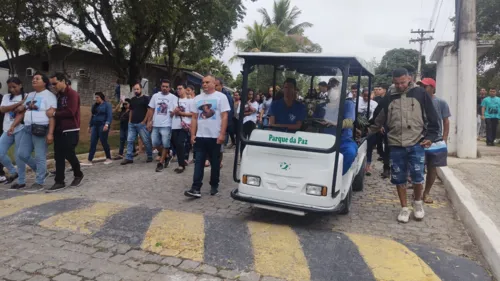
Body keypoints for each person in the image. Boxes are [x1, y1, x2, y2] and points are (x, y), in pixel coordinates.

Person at [368, 68, 439, 223]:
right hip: (395, 144)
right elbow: (377, 120)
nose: (400, 86)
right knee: (399, 177)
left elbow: (434, 119)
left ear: (409, 78)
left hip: (417, 143)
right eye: (396, 83)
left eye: (402, 82)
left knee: (417, 176)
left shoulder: (421, 94)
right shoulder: (389, 97)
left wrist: (430, 137)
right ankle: (404, 208)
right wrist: (362, 132)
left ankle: (418, 203)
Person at [184, 75, 230, 198]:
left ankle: (214, 184)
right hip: (200, 136)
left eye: (207, 82)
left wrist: (222, 134)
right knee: (198, 162)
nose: (204, 84)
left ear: (214, 83)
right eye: (203, 82)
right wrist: (193, 134)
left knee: (215, 163)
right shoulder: (197, 99)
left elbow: (225, 116)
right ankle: (195, 188)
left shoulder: (221, 97)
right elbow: (194, 117)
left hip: (215, 136)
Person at [11, 72, 57, 192]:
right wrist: (21, 107)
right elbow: (24, 108)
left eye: (37, 78)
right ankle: (42, 172)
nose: (34, 80)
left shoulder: (50, 96)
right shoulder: (30, 95)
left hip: (41, 129)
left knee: (39, 156)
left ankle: (39, 182)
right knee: (22, 153)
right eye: (33, 79)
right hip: (27, 128)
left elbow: (52, 116)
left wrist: (50, 133)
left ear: (44, 82)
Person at [46, 73, 84, 192]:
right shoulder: (58, 96)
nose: (53, 86)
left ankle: (78, 174)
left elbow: (70, 112)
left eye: (55, 83)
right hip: (59, 129)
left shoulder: (72, 94)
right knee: (58, 156)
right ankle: (59, 181)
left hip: (70, 129)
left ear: (63, 81)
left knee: (69, 153)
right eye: (51, 84)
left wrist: (54, 113)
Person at [313, 77, 358, 175]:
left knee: (350, 152)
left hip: (343, 140)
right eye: (331, 88)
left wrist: (335, 123)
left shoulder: (347, 104)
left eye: (336, 88)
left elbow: (350, 122)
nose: (333, 91)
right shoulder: (321, 106)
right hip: (323, 139)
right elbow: (313, 120)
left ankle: (337, 176)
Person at [417, 78, 451, 204]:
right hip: (419, 139)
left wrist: (445, 138)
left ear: (432, 88)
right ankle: (418, 192)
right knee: (418, 166)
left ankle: (426, 193)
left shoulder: (441, 102)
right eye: (421, 86)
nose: (422, 89)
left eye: (425, 86)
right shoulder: (417, 101)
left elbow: (446, 121)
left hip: (435, 140)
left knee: (432, 168)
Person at [0, 78, 36, 189]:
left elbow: (22, 112)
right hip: (7, 129)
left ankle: (21, 181)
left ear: (20, 85)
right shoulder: (6, 97)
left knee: (18, 156)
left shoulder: (27, 96)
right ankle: (12, 171)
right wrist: (19, 103)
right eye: (10, 87)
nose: (12, 89)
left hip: (21, 129)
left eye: (14, 86)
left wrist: (22, 104)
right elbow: (2, 109)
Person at [146, 79, 178, 172]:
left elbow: (173, 111)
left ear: (169, 88)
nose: (164, 88)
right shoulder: (155, 96)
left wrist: (174, 112)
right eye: (163, 86)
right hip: (156, 124)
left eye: (166, 87)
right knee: (155, 143)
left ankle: (161, 162)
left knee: (165, 144)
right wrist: (149, 121)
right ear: (161, 87)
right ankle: (167, 156)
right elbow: (151, 109)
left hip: (167, 124)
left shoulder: (173, 98)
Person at [121, 83, 152, 165]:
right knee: (130, 140)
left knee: (146, 141)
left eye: (137, 89)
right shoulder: (133, 99)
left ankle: (149, 155)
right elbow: (131, 110)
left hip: (141, 124)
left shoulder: (146, 99)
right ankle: (129, 157)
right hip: (132, 124)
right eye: (134, 89)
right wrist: (130, 121)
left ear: (141, 89)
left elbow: (149, 110)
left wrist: (145, 121)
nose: (136, 91)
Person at [81, 92, 113, 166]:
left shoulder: (107, 105)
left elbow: (109, 115)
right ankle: (89, 160)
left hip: (103, 125)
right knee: (93, 142)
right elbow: (93, 116)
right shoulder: (94, 106)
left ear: (101, 97)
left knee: (103, 141)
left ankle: (109, 158)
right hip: (95, 126)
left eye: (97, 97)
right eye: (95, 97)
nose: (96, 99)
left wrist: (107, 124)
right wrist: (90, 125)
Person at [171, 84, 194, 173]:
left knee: (180, 144)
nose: (178, 90)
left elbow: (193, 114)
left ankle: (181, 165)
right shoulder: (174, 100)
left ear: (185, 89)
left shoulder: (190, 101)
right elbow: (171, 114)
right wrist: (174, 112)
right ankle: (182, 161)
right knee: (176, 145)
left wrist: (181, 113)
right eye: (177, 89)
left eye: (180, 88)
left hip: (184, 126)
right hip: (174, 125)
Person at [357, 88, 378, 175]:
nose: (366, 98)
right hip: (358, 127)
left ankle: (367, 167)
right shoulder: (358, 102)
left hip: (370, 127)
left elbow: (377, 116)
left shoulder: (375, 104)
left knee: (368, 147)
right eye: (364, 96)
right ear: (362, 95)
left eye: (368, 96)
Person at [239, 90, 258, 157]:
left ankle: (250, 156)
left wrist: (249, 104)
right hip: (244, 122)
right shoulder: (241, 103)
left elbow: (254, 110)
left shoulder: (255, 103)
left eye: (252, 95)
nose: (250, 96)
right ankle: (242, 156)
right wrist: (248, 113)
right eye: (249, 94)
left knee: (251, 140)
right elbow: (240, 113)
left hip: (252, 122)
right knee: (243, 141)